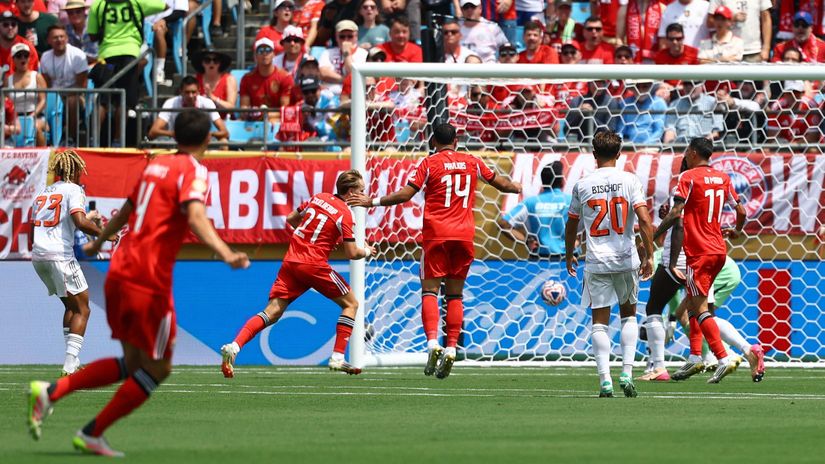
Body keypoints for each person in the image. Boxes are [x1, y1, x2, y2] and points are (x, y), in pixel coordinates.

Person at [27, 109, 249, 457]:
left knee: (133, 364)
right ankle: (91, 430)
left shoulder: (155, 164)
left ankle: (54, 394)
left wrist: (99, 244)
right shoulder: (193, 170)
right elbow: (194, 214)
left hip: (121, 270)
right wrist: (225, 252)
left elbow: (127, 210)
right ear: (209, 139)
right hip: (148, 277)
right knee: (158, 367)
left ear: (174, 136)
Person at [348, 122, 522, 378]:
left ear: (433, 142)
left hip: (437, 235)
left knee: (430, 290)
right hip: (464, 236)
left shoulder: (429, 164)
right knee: (455, 296)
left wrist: (371, 201)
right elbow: (501, 184)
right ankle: (452, 347)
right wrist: (517, 186)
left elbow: (406, 195)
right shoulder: (472, 161)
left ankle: (432, 344)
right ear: (456, 141)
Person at [220, 171, 373, 377]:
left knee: (272, 312)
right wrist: (367, 251)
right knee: (351, 304)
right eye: (362, 191)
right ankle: (337, 356)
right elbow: (352, 253)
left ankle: (234, 346)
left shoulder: (318, 197)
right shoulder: (346, 213)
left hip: (291, 261)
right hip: (313, 264)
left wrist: (316, 239)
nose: (364, 195)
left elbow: (291, 219)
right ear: (352, 191)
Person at [639, 158, 764, 382]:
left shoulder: (686, 184)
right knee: (702, 311)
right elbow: (740, 211)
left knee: (655, 306)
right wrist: (736, 230)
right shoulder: (717, 184)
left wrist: (667, 258)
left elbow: (678, 224)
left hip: (688, 255)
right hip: (714, 252)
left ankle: (661, 366)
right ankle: (710, 355)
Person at [564, 129, 654, 398]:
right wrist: (649, 254)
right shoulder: (629, 180)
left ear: (593, 155)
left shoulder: (582, 184)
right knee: (629, 316)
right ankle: (627, 371)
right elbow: (645, 221)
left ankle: (605, 381)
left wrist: (570, 253)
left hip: (596, 261)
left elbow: (571, 223)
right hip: (626, 259)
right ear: (618, 154)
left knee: (599, 323)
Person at [653, 137, 746, 384]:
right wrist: (736, 231)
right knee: (695, 305)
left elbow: (676, 214)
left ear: (693, 153)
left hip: (699, 252)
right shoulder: (724, 178)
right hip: (719, 251)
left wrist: (654, 235)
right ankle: (695, 356)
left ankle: (722, 358)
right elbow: (742, 211)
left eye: (686, 150)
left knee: (701, 309)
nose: (684, 154)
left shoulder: (688, 178)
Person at [29, 150, 112, 376]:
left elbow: (32, 228)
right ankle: (69, 364)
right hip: (60, 256)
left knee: (71, 306)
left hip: (38, 257)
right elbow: (79, 220)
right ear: (74, 170)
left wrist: (88, 219)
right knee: (83, 308)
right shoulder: (74, 190)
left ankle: (72, 362)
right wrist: (105, 235)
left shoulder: (43, 193)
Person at [87, 0, 166, 147]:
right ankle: (118, 140)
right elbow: (164, 6)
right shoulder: (137, 2)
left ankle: (94, 140)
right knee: (123, 101)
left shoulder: (97, 5)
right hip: (130, 54)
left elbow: (92, 35)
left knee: (102, 100)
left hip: (106, 55)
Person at [498, 161, 570, 259]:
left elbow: (503, 224)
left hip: (539, 259)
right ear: (562, 180)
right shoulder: (571, 201)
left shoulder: (530, 202)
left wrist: (526, 240)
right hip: (569, 259)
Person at [41, 24, 88, 143]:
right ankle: (50, 139)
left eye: (62, 36)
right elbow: (46, 84)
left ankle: (71, 138)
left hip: (75, 93)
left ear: (67, 38)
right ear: (49, 40)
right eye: (55, 37)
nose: (59, 40)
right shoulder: (45, 57)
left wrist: (65, 96)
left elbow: (82, 85)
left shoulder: (78, 55)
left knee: (72, 101)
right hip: (54, 93)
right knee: (47, 101)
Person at [148, 75, 228, 141]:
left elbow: (225, 132)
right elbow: (153, 132)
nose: (190, 96)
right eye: (187, 92)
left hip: (201, 142)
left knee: (223, 141)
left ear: (198, 91)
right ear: (181, 92)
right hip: (177, 142)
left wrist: (208, 134)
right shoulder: (170, 103)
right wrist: (174, 134)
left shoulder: (207, 103)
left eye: (193, 92)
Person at [239, 38, 294, 122]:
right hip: (254, 120)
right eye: (260, 51)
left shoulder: (285, 77)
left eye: (268, 50)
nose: (265, 54)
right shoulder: (247, 78)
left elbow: (285, 110)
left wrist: (265, 114)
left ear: (273, 54)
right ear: (255, 55)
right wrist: (250, 113)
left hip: (277, 120)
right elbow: (244, 107)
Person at [8, 42, 48, 146]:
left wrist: (32, 115)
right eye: (19, 56)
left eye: (26, 55)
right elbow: (7, 102)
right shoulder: (8, 80)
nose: (23, 58)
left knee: (35, 127)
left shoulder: (37, 76)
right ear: (13, 59)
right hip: (15, 118)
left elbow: (43, 100)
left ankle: (44, 157)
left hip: (37, 116)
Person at [319, 20, 367, 94]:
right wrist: (345, 80)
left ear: (356, 37)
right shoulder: (327, 52)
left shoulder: (363, 54)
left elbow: (354, 75)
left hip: (352, 95)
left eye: (350, 36)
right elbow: (323, 73)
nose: (346, 40)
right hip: (329, 94)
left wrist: (346, 54)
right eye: (342, 37)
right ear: (336, 37)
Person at [192, 49, 237, 117]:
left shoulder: (229, 79)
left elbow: (231, 108)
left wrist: (212, 98)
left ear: (220, 63)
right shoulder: (195, 80)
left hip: (224, 121)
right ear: (202, 63)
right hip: (200, 121)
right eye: (207, 60)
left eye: (216, 60)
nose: (211, 63)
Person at [0, 8, 40, 79]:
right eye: (5, 25)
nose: (10, 27)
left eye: (13, 24)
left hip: (19, 87)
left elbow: (30, 75)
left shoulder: (27, 46)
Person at [62, 0, 97, 66]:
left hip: (97, 63)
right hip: (76, 66)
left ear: (84, 11)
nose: (74, 15)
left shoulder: (95, 24)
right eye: (70, 13)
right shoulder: (66, 31)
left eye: (78, 11)